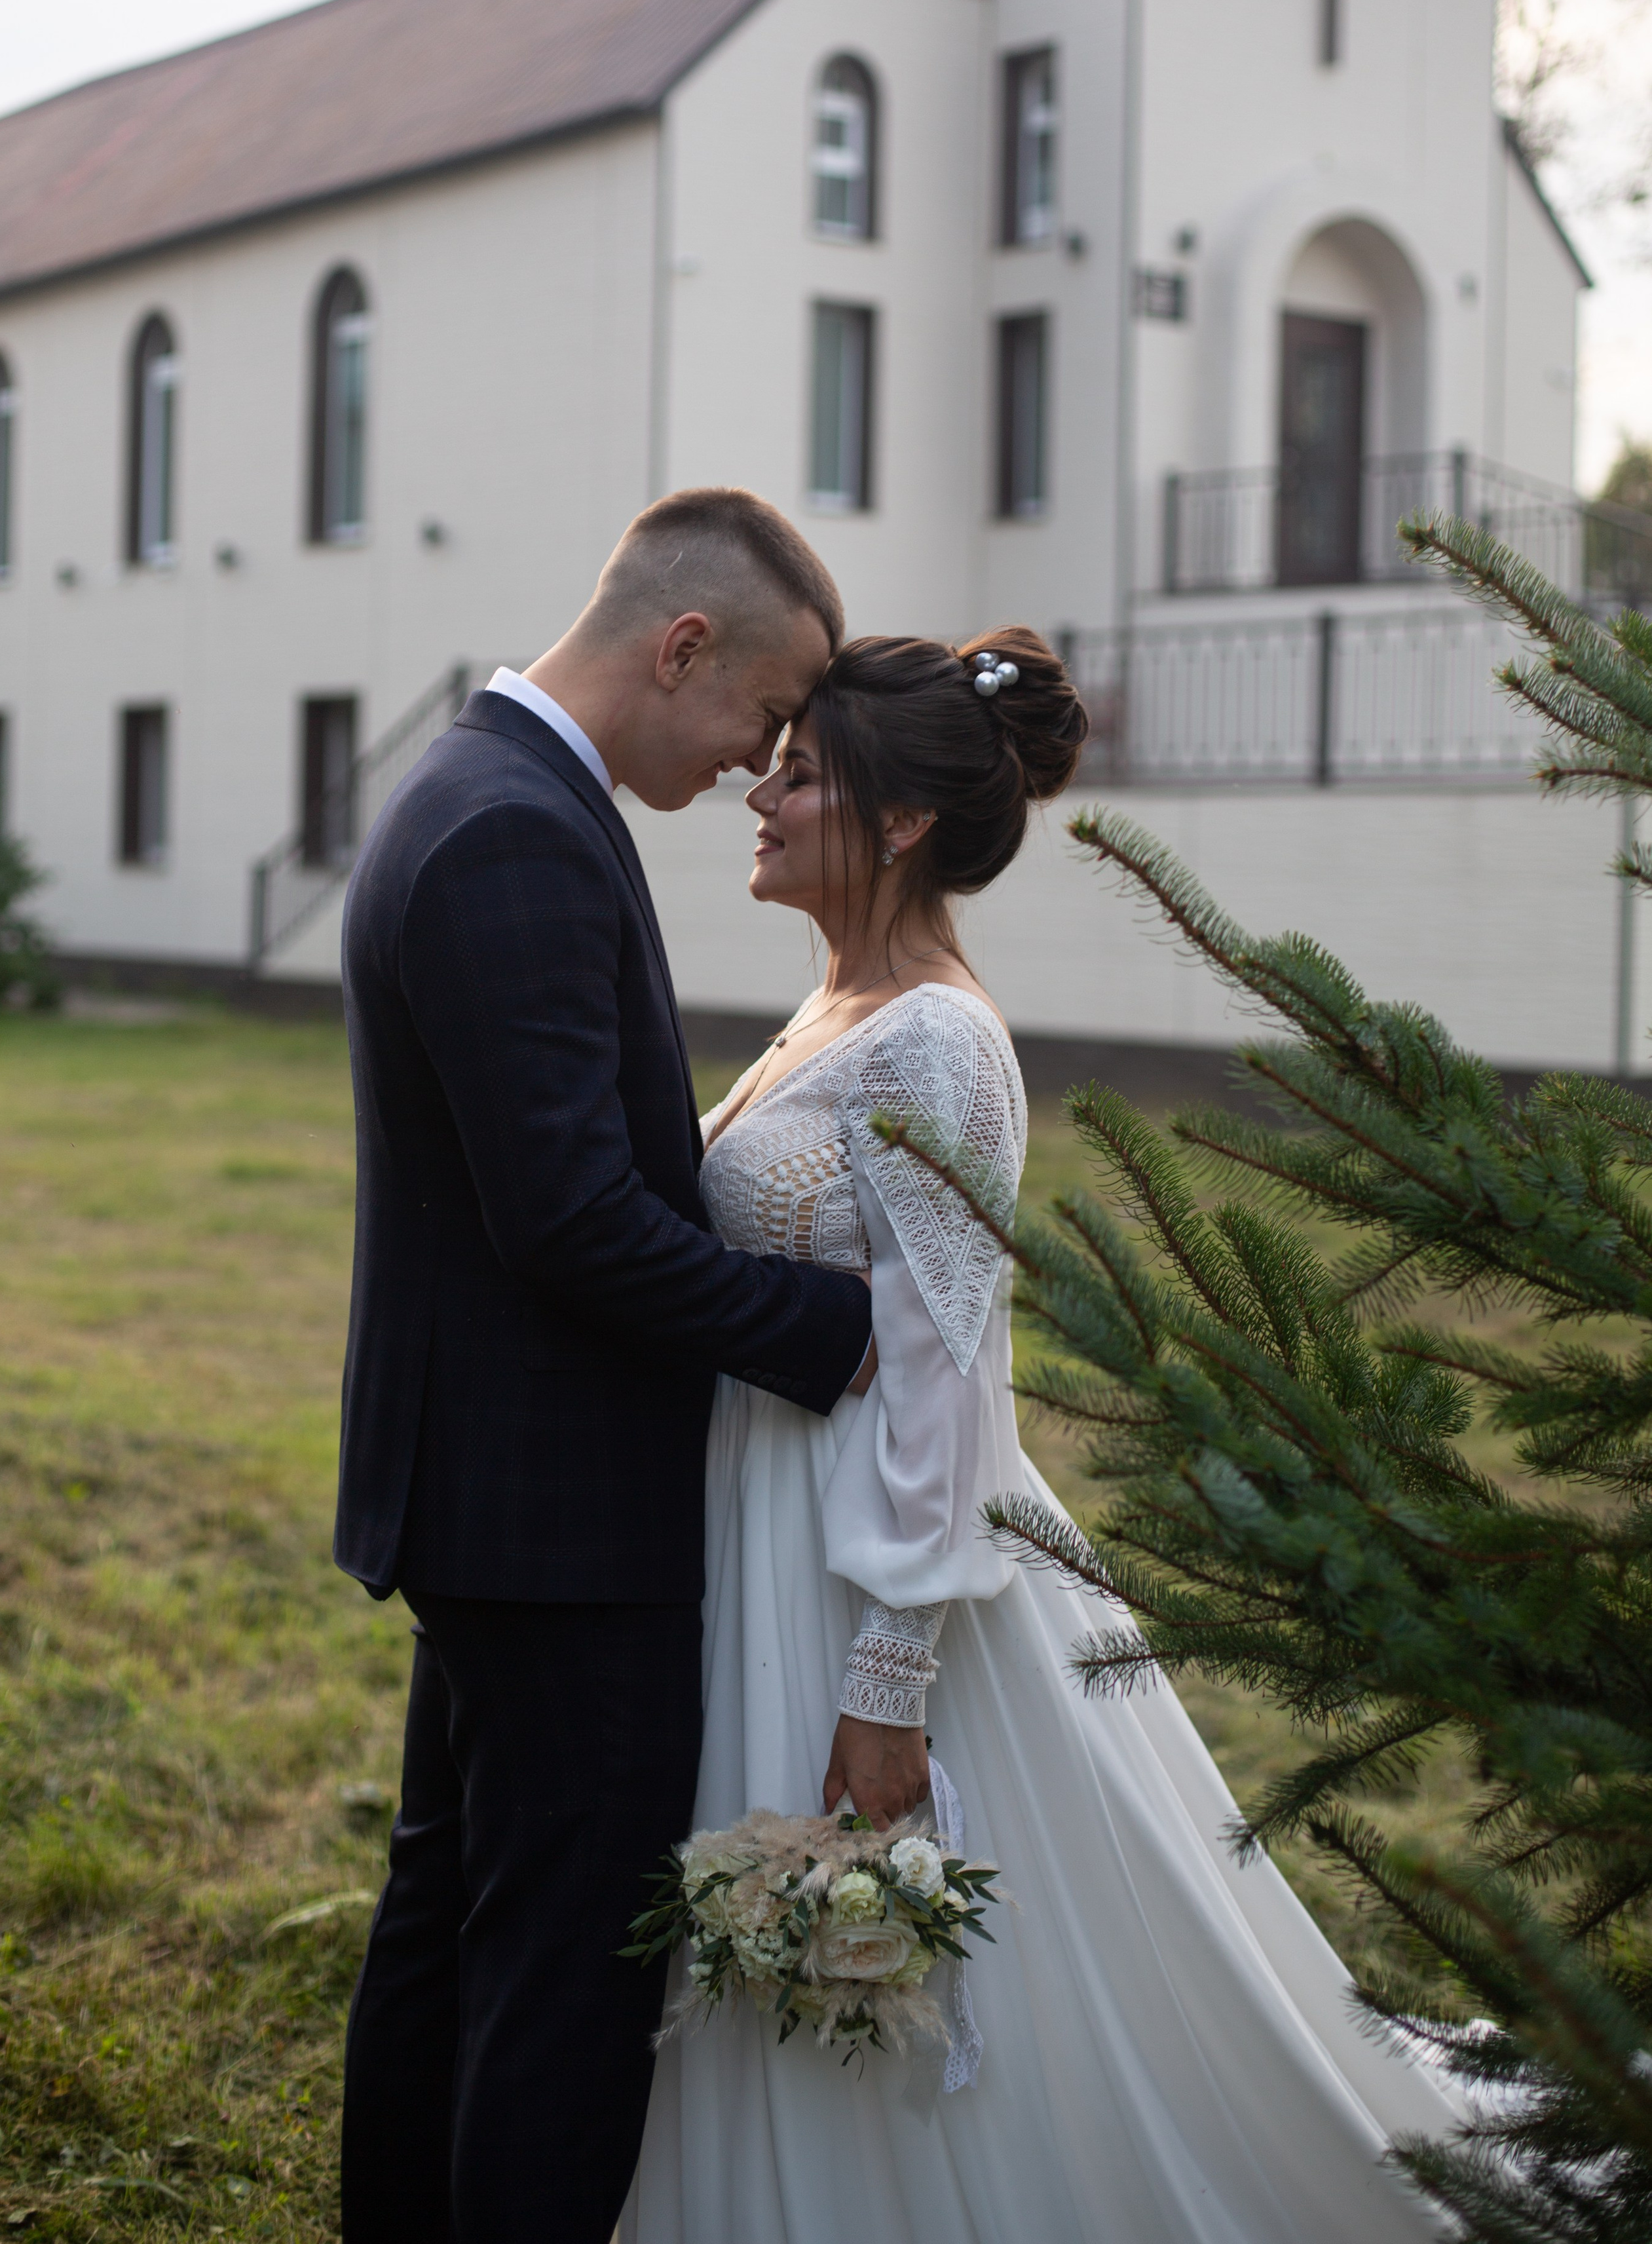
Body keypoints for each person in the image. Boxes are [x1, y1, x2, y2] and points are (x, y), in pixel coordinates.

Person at [621, 627, 1461, 2244]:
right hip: (759, 1521)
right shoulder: (832, 1003)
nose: (761, 796)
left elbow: (947, 1380)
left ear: (899, 819)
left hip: (867, 1563)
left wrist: (885, 1698)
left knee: (868, 1937)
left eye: (798, 776)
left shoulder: (941, 1041)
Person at [334, 487, 875, 2244]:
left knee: (455, 1931)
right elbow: (568, 1219)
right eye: (760, 719)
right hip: (556, 1523)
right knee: (562, 1987)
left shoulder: (484, 787)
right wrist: (830, 1332)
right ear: (683, 646)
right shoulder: (515, 832)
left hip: (496, 1498)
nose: (754, 763)